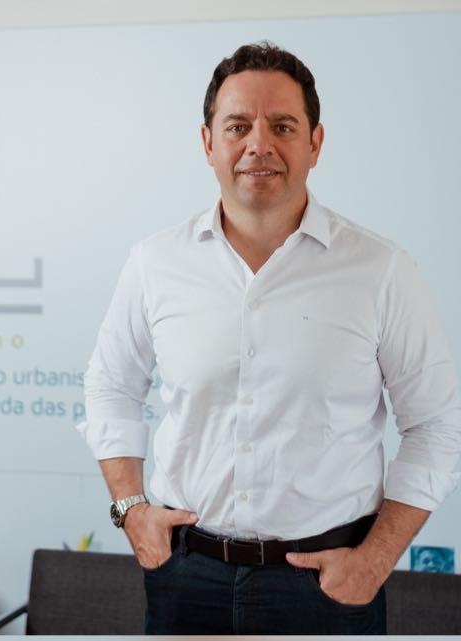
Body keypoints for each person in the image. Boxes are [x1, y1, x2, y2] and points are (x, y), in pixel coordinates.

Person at [75, 41, 461, 635]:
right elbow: (110, 386)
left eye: (282, 126)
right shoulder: (154, 264)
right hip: (184, 578)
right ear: (208, 143)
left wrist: (375, 560)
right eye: (238, 126)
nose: (259, 145)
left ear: (315, 143)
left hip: (326, 588)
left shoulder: (382, 270)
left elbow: (436, 424)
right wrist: (130, 509)